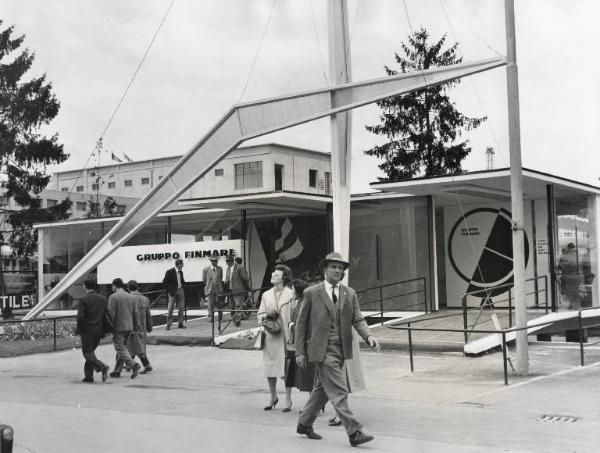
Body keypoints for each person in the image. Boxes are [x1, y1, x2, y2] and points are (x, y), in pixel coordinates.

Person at [295, 252, 380, 447]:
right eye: (333, 267)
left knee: (322, 390)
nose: (337, 270)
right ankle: (354, 431)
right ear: (324, 270)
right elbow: (301, 325)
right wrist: (299, 352)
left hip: (341, 350)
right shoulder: (311, 293)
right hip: (321, 351)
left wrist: (369, 336)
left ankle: (304, 423)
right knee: (339, 390)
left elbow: (357, 318)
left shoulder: (349, 293)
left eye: (341, 268)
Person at [257, 264, 294, 411]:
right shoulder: (266, 295)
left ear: (284, 278)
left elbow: (297, 313)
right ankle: (272, 396)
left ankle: (288, 398)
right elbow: (259, 315)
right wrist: (267, 316)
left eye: (276, 274)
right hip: (271, 336)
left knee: (287, 369)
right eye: (273, 274)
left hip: (287, 336)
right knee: (270, 367)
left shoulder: (291, 294)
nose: (273, 275)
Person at [75, 279, 110, 383]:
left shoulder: (83, 299)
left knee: (87, 352)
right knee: (90, 352)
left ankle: (102, 366)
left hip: (87, 330)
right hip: (99, 330)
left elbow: (81, 317)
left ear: (85, 286)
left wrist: (79, 329)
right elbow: (105, 315)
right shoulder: (102, 299)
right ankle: (89, 376)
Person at [108, 278, 141, 379]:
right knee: (123, 348)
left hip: (118, 327)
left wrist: (109, 327)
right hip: (129, 326)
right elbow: (135, 312)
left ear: (114, 286)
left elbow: (111, 313)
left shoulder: (113, 297)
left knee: (120, 348)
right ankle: (117, 371)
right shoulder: (130, 297)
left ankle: (133, 364)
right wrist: (136, 326)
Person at [128, 280, 153, 374]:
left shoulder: (128, 298)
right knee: (139, 347)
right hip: (142, 327)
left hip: (131, 327)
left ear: (128, 288)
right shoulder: (145, 299)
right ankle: (131, 364)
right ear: (138, 287)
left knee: (129, 347)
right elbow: (148, 315)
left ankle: (136, 364)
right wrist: (149, 327)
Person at [226, 254, 251, 326]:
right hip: (230, 290)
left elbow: (245, 279)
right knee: (231, 306)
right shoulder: (228, 268)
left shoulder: (240, 268)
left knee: (238, 305)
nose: (228, 263)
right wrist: (226, 280)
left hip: (239, 290)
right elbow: (227, 277)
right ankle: (234, 319)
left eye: (229, 261)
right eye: (227, 261)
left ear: (232, 261)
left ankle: (238, 320)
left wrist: (247, 287)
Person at [162, 259, 186, 330]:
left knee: (181, 308)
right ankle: (168, 325)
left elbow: (182, 280)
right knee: (171, 308)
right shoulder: (169, 272)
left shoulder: (181, 272)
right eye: (182, 264)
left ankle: (180, 323)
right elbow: (164, 283)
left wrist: (183, 287)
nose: (183, 266)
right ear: (179, 265)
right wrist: (169, 290)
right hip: (173, 292)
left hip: (180, 290)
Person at [202, 252, 223, 322]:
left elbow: (220, 278)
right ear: (211, 261)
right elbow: (204, 280)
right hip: (210, 288)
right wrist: (208, 285)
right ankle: (211, 317)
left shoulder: (220, 269)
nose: (215, 262)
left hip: (218, 288)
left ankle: (220, 317)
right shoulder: (206, 270)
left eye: (216, 261)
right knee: (210, 304)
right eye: (213, 261)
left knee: (219, 303)